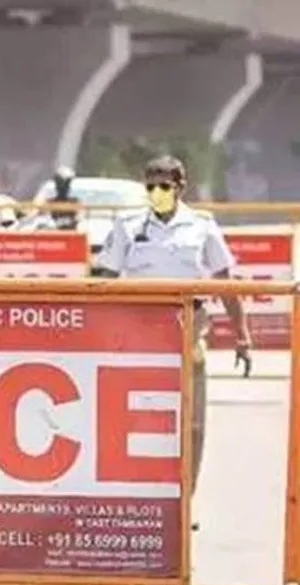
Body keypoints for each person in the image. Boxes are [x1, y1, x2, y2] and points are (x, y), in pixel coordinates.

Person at [95, 154, 251, 503]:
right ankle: (136, 497)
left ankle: (184, 501)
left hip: (187, 328)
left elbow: (225, 283)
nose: (157, 191)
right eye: (150, 184)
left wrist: (242, 335)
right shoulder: (127, 224)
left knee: (190, 421)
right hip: (139, 329)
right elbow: (104, 279)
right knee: (133, 415)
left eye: (164, 185)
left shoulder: (202, 225)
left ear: (181, 186)